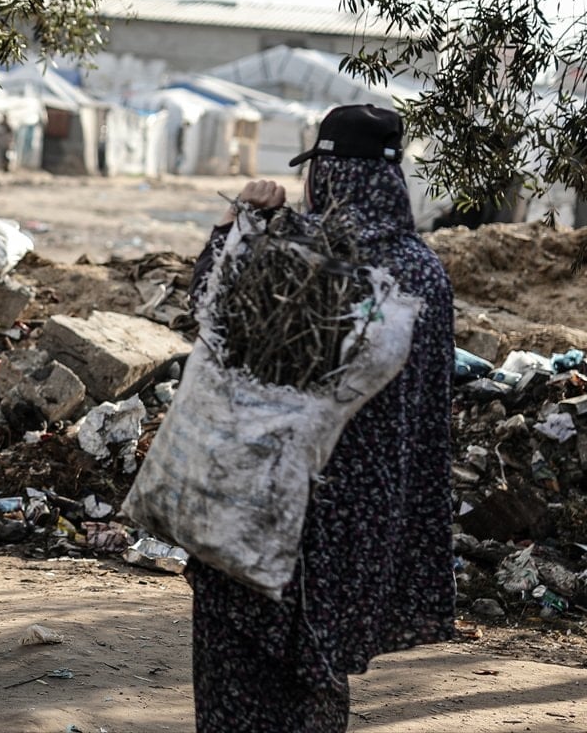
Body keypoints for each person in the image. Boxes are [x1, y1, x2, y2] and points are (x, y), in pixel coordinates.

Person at [187, 104, 455, 732]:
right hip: (365, 524)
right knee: (320, 675)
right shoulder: (426, 272)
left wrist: (235, 224)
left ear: (329, 175)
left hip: (273, 509)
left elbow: (209, 311)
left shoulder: (307, 256)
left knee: (241, 677)